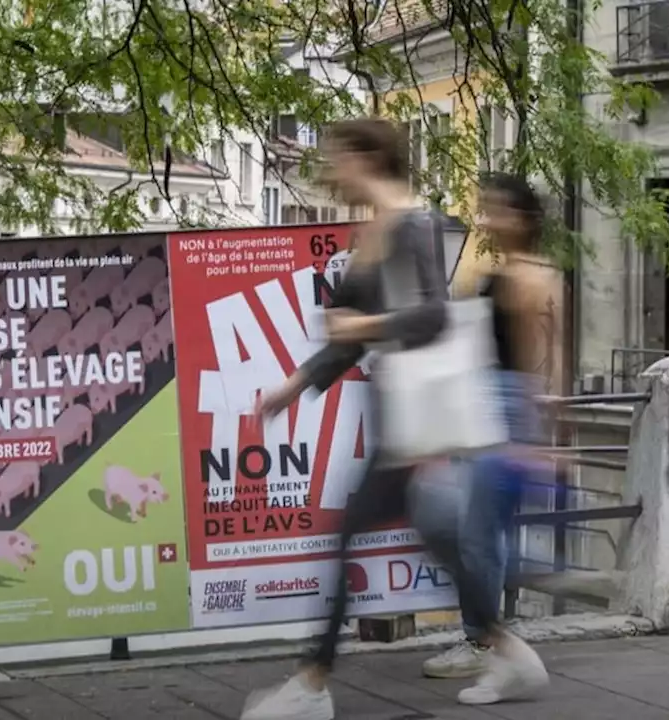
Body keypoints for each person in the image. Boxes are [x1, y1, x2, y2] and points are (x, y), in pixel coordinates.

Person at [239, 117, 451, 720]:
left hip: (415, 418)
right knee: (443, 539)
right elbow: (346, 340)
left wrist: (365, 326)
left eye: (336, 158)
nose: (329, 172)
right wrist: (294, 386)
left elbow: (434, 317)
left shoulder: (413, 222)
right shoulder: (372, 231)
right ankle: (503, 643)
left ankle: (312, 684)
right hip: (396, 415)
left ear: (366, 158)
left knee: (351, 532)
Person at [441, 172, 562, 703]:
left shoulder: (532, 277)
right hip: (488, 403)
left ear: (523, 219)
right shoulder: (504, 272)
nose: (487, 219)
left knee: (476, 535)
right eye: (484, 209)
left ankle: (488, 645)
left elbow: (543, 354)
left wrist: (535, 430)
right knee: (478, 533)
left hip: (506, 407)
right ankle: (489, 639)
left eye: (496, 210)